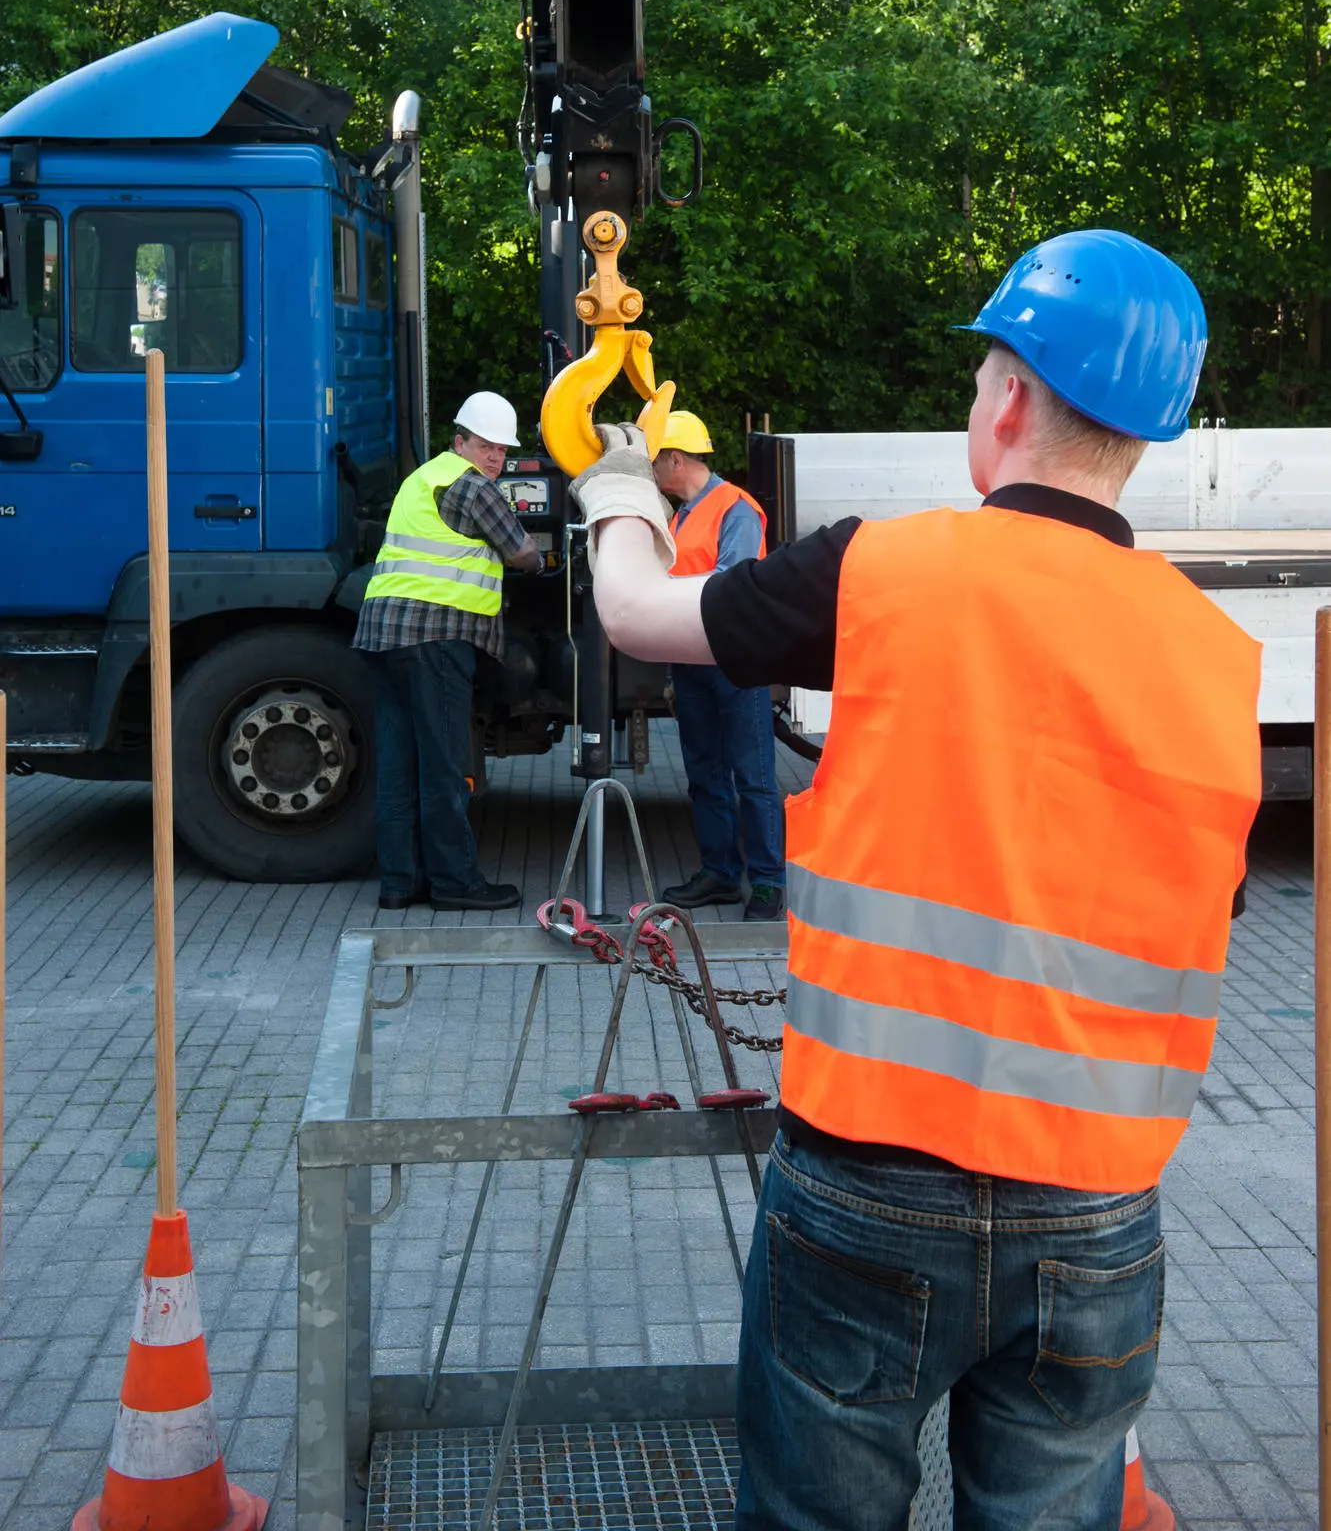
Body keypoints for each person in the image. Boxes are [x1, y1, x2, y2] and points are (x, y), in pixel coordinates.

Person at [570, 230, 1262, 1531]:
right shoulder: (1212, 659)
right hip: (1097, 1213)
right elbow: (1183, 908)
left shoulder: (880, 571)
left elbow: (635, 617)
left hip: (862, 1197)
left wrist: (615, 487)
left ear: (1005, 399)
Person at [353, 391, 542, 910]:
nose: (494, 460)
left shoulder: (423, 477)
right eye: (486, 446)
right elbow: (521, 552)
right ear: (460, 441)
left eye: (502, 451)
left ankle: (400, 883)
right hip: (432, 639)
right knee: (443, 763)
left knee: (398, 765)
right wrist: (543, 562)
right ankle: (456, 884)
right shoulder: (473, 487)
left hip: (383, 633)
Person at [652, 410, 787, 920]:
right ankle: (721, 874)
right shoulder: (680, 516)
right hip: (693, 660)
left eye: (655, 463)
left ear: (676, 459)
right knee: (704, 772)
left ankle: (769, 883)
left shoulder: (736, 508)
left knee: (751, 775)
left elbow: (731, 579)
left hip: (735, 661)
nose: (654, 475)